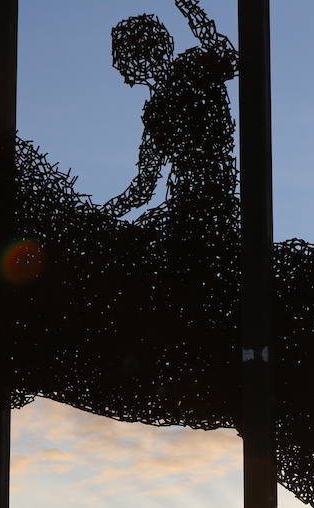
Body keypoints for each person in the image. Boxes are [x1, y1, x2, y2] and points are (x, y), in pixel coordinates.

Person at [102, 0, 239, 312]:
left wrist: (190, 8)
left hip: (210, 201)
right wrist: (100, 215)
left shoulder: (194, 68)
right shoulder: (155, 112)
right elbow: (142, 187)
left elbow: (229, 56)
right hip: (187, 203)